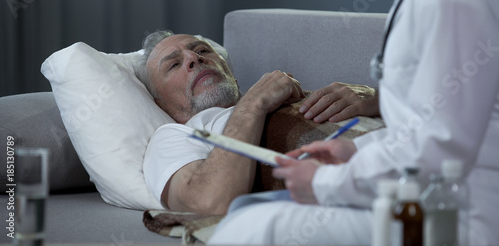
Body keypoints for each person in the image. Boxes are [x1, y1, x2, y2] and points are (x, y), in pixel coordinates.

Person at [208, 0, 499, 244]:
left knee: (250, 231)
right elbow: (430, 127)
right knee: (246, 216)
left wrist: (324, 183)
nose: (194, 60)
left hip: (456, 217)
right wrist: (356, 152)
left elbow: (441, 144)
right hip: (424, 196)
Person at [138, 31, 378, 215]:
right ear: (160, 104)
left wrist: (379, 99)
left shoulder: (283, 94)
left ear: (232, 76)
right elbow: (209, 204)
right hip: (374, 186)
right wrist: (253, 103)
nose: (194, 58)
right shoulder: (174, 136)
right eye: (174, 64)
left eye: (202, 49)